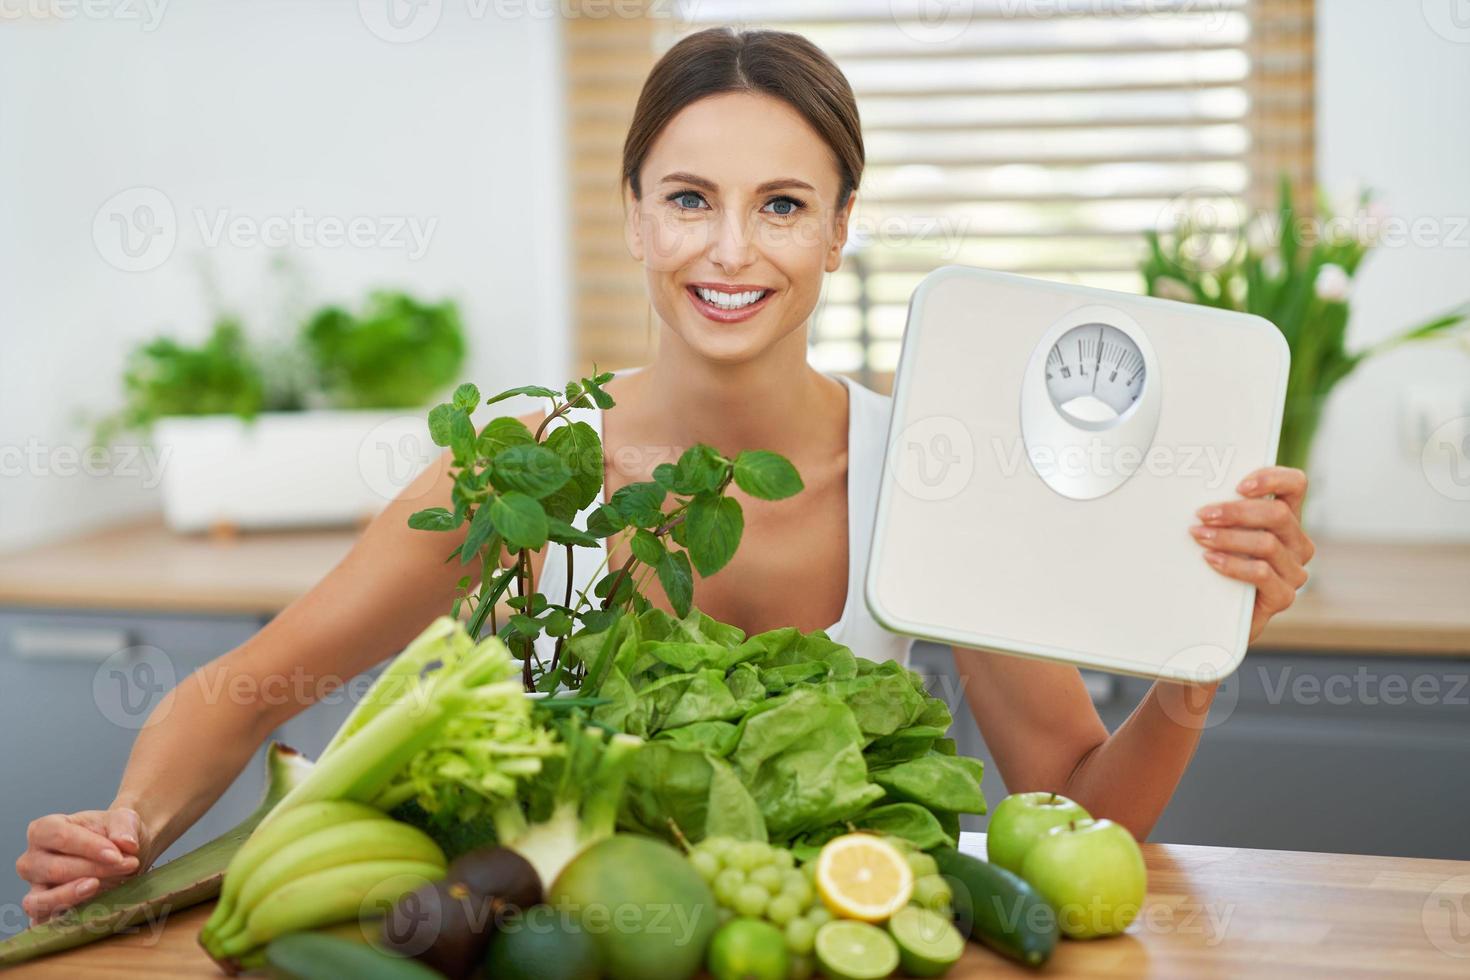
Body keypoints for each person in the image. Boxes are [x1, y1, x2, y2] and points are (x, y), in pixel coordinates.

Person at [14, 26, 1313, 924]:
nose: (730, 248)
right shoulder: (528, 464)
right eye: (689, 198)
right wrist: (123, 828)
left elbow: (1080, 810)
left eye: (784, 205)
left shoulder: (930, 467)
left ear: (842, 229)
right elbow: (247, 691)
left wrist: (1191, 669)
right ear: (632, 211)